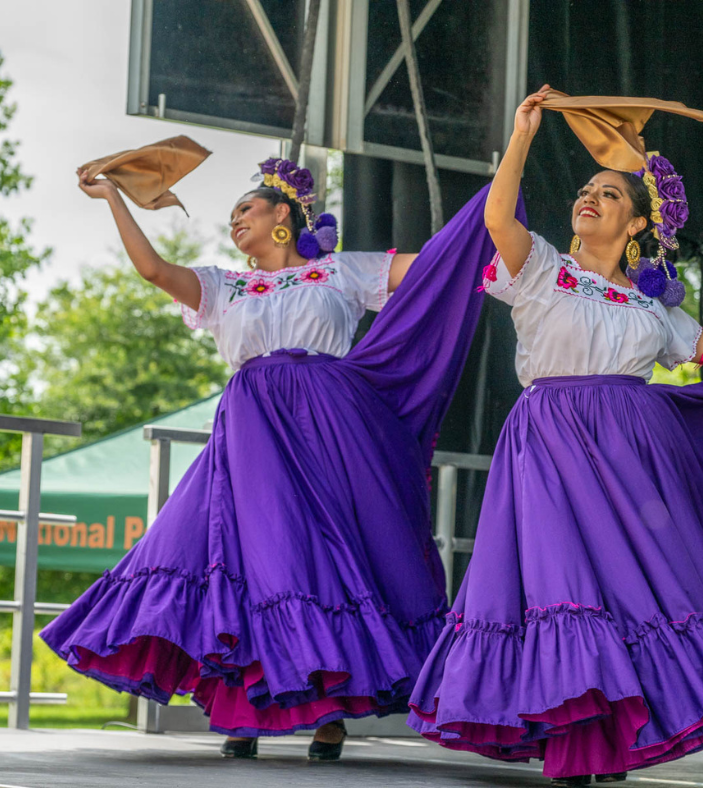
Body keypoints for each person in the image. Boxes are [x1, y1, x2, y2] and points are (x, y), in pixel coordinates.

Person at [408, 85, 703, 786]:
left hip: (635, 457)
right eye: (585, 189)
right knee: (563, 584)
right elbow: (497, 216)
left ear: (637, 224)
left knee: (626, 592)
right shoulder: (542, 268)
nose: (589, 197)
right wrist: (523, 133)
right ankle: (574, 732)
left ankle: (615, 738)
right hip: (550, 445)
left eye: (609, 193)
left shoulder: (651, 310)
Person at [41, 156, 517, 760]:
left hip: (330, 429)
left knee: (327, 555)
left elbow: (437, 270)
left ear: (282, 215)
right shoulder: (224, 286)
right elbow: (153, 269)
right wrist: (115, 199)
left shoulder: (341, 272)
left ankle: (331, 711)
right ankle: (246, 705)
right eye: (234, 214)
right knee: (248, 551)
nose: (236, 220)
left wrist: (493, 219)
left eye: (246, 208)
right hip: (252, 430)